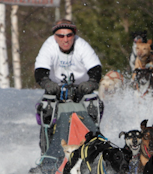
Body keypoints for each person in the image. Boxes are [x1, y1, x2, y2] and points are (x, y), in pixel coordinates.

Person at [34, 19, 103, 153]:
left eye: (69, 35)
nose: (65, 40)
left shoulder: (82, 45)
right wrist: (46, 83)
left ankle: (95, 147)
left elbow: (95, 68)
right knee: (46, 110)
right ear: (55, 37)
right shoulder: (48, 46)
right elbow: (40, 70)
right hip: (55, 89)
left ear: (74, 35)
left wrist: (91, 82)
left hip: (81, 88)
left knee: (94, 106)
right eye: (61, 36)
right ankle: (46, 152)